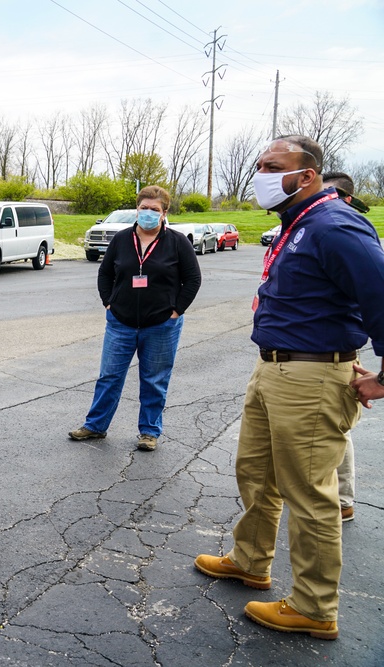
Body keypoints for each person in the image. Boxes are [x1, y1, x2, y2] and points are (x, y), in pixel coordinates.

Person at [195, 135, 384, 641]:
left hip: (312, 376)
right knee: (255, 471)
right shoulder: (297, 225)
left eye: (272, 166)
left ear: (307, 176)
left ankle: (314, 606)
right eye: (258, 164)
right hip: (274, 368)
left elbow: (380, 294)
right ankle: (250, 560)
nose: (260, 174)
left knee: (309, 494)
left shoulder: (335, 225)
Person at [68, 185, 201, 452]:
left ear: (164, 213)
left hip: (162, 325)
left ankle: (149, 432)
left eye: (155, 209)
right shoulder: (120, 240)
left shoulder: (177, 242)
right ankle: (95, 425)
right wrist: (109, 303)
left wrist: (176, 311)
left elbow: (193, 280)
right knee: (109, 377)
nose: (148, 213)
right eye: (144, 208)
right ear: (136, 209)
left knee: (154, 379)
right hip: (121, 322)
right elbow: (105, 274)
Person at [322, 171, 368, 523]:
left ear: (345, 198)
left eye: (327, 194)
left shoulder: (346, 231)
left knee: (334, 428)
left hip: (332, 353)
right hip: (304, 351)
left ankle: (342, 499)